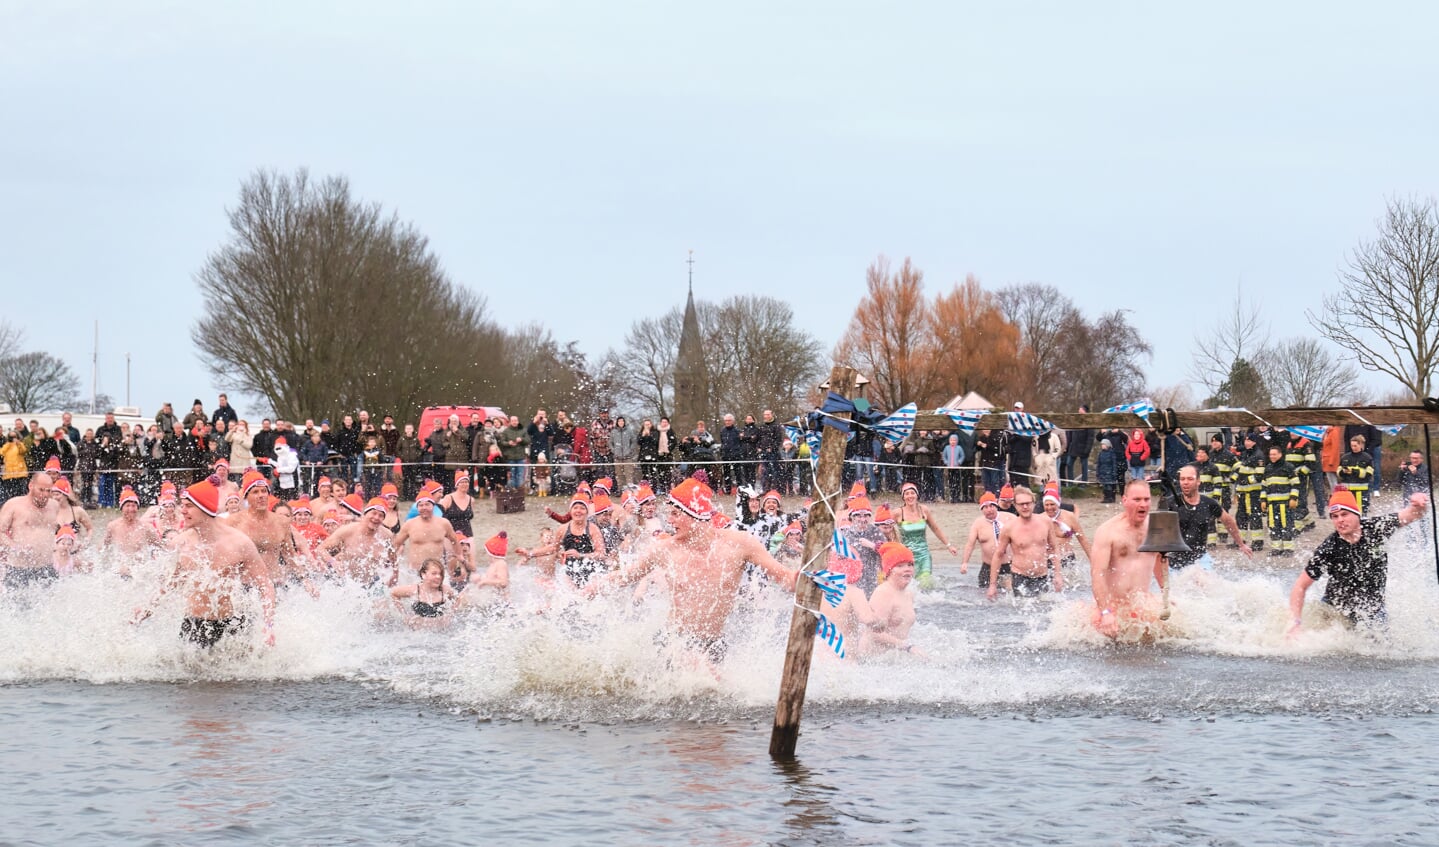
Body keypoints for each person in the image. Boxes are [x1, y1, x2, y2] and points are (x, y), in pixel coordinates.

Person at [587, 478, 798, 665]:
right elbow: (628, 576)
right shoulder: (664, 549)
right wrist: (597, 584)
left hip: (713, 643)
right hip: (673, 640)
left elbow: (786, 579)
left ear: (695, 516)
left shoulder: (739, 544)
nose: (669, 520)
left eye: (675, 514)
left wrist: (804, 579)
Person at [131, 478, 277, 648]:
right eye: (182, 505)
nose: (182, 511)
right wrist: (146, 609)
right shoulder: (180, 543)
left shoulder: (239, 543)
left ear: (205, 508)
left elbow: (265, 583)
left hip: (233, 621)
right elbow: (170, 583)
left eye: (188, 506)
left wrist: (268, 624)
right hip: (195, 623)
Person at [1287, 486, 1430, 633]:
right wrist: (1295, 622)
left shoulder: (1377, 528)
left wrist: (1419, 502)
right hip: (1335, 609)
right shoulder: (1329, 548)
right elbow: (1300, 586)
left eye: (1344, 514)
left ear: (1357, 514)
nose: (1340, 520)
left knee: (1380, 646)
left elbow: (1414, 514)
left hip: (1372, 609)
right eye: (1335, 517)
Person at [1089, 479, 1168, 638]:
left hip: (1141, 604)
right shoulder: (1108, 531)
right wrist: (1105, 612)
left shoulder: (1156, 527)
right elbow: (1097, 574)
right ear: (1124, 500)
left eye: (1146, 499)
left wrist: (1165, 597)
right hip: (1114, 607)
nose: (1143, 504)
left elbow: (1160, 560)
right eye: (1137, 499)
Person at [1159, 464, 1252, 570]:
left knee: (1204, 581)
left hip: (1200, 558)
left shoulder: (1209, 504)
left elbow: (1228, 521)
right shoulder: (1169, 503)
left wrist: (1241, 544)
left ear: (1198, 481)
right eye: (1182, 479)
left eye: (1190, 479)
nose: (1185, 482)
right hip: (1174, 559)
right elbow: (1155, 529)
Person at [988, 486, 1063, 598]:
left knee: (1043, 608)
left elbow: (1054, 548)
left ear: (1034, 503)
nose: (1025, 507)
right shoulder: (1009, 527)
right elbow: (998, 554)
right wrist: (992, 585)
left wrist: (1057, 575)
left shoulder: (1045, 522)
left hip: (1042, 575)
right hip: (1020, 576)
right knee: (1022, 610)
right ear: (1015, 505)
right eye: (1021, 504)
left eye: (1028, 503)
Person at [518, 494, 607, 586]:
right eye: (575, 508)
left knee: (586, 594)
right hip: (571, 570)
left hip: (591, 570)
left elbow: (601, 554)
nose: (578, 511)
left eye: (582, 508)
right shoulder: (563, 529)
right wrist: (530, 553)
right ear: (570, 511)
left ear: (587, 512)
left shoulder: (593, 529)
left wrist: (580, 555)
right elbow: (552, 548)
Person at [0, 473, 61, 588]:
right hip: (19, 569)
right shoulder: (14, 505)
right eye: (41, 490)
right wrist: (15, 546)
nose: (45, 495)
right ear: (31, 486)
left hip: (47, 568)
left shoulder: (54, 506)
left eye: (48, 491)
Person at [865, 542, 925, 657]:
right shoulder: (883, 593)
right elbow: (874, 632)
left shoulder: (909, 594)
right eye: (900, 566)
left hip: (894, 656)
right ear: (889, 570)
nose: (907, 569)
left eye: (910, 565)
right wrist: (908, 647)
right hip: (872, 659)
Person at [894, 481, 957, 588]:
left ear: (917, 495)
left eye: (912, 493)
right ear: (903, 497)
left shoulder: (924, 510)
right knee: (909, 586)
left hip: (924, 555)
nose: (910, 496)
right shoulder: (898, 513)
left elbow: (935, 528)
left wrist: (949, 545)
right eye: (907, 494)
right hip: (907, 557)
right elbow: (886, 529)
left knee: (926, 583)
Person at [392, 489, 463, 581]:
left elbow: (454, 540)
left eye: (427, 504)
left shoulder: (443, 523)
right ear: (417, 508)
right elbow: (396, 544)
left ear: (433, 506)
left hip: (436, 571)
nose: (424, 507)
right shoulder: (410, 524)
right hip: (415, 572)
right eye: (421, 505)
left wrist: (459, 556)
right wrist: (391, 563)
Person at [321, 498, 396, 584]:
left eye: (380, 515)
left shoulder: (386, 535)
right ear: (365, 514)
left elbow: (393, 556)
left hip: (372, 581)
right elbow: (321, 548)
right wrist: (333, 562)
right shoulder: (347, 530)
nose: (376, 518)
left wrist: (395, 574)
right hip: (347, 582)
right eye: (374, 513)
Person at [960, 491, 1012, 588]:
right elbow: (970, 544)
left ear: (996, 506)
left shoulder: (1009, 518)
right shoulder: (978, 524)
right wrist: (965, 562)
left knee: (1010, 594)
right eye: (985, 507)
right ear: (981, 509)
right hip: (988, 566)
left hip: (1008, 565)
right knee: (984, 595)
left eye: (991, 506)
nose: (989, 510)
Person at [389, 558, 459, 628]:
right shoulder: (415, 589)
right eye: (434, 573)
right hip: (418, 632)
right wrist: (405, 615)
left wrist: (450, 615)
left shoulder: (444, 590)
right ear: (423, 574)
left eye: (440, 574)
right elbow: (393, 593)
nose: (438, 576)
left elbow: (457, 599)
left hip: (439, 631)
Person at [1261, 445, 1300, 556]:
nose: (1272, 456)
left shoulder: (1288, 467)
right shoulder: (1268, 468)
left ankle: (1288, 549)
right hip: (1272, 504)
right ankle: (1276, 548)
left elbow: (1296, 484)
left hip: (1285, 503)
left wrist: (1293, 498)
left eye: (1274, 454)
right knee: (1273, 526)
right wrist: (1263, 500)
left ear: (1280, 454)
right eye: (1270, 454)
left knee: (1286, 525)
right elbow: (1264, 486)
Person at [103, 486, 161, 557]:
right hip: (119, 565)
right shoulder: (112, 526)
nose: (131, 509)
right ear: (122, 508)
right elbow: (104, 548)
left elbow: (160, 548)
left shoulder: (146, 527)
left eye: (133, 506)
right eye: (127, 506)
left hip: (139, 565)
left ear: (137, 508)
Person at [1337, 435, 1375, 514]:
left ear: (1360, 445)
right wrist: (1343, 472)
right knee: (1348, 512)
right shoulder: (1345, 457)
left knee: (1361, 513)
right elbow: (1338, 472)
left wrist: (1355, 471)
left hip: (1361, 491)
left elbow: (1369, 474)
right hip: (1347, 492)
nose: (1353, 448)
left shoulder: (1367, 458)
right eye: (1352, 446)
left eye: (1355, 446)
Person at [439, 470, 475, 537]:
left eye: (466, 482)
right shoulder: (448, 498)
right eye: (462, 482)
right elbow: (439, 515)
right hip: (450, 534)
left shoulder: (471, 500)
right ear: (457, 485)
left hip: (467, 534)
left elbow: (469, 517)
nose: (464, 484)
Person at [1096, 438, 1119, 503]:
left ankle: (1110, 498)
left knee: (1109, 486)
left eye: (1104, 444)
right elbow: (1099, 464)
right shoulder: (1101, 453)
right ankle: (1106, 498)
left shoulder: (1112, 453)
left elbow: (1114, 464)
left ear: (1107, 445)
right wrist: (1098, 473)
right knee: (1104, 487)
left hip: (1109, 473)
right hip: (1102, 472)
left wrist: (1114, 472)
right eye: (1102, 444)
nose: (1102, 446)